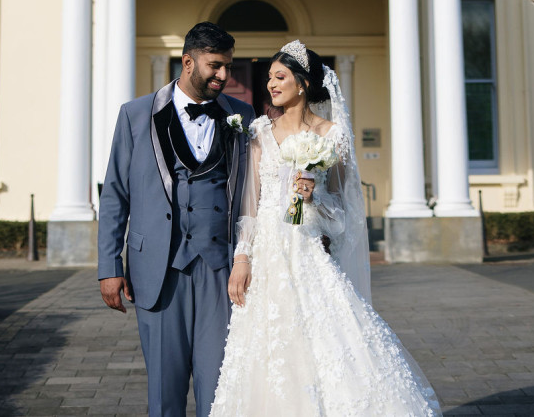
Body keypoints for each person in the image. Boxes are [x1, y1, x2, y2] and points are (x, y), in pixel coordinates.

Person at [210, 40, 442, 416]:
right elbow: (249, 206)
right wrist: (242, 257)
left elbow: (341, 217)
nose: (271, 84)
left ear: (302, 83)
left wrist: (312, 197)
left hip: (307, 253)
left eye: (280, 76)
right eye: (269, 77)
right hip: (266, 258)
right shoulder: (258, 132)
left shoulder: (332, 136)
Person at [98, 22, 256, 417]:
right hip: (158, 268)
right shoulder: (135, 115)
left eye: (228, 67)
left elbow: (256, 189)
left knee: (220, 390)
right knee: (165, 395)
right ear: (188, 62)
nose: (224, 76)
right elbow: (115, 193)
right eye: (215, 66)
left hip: (221, 272)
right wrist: (108, 266)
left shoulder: (242, 115)